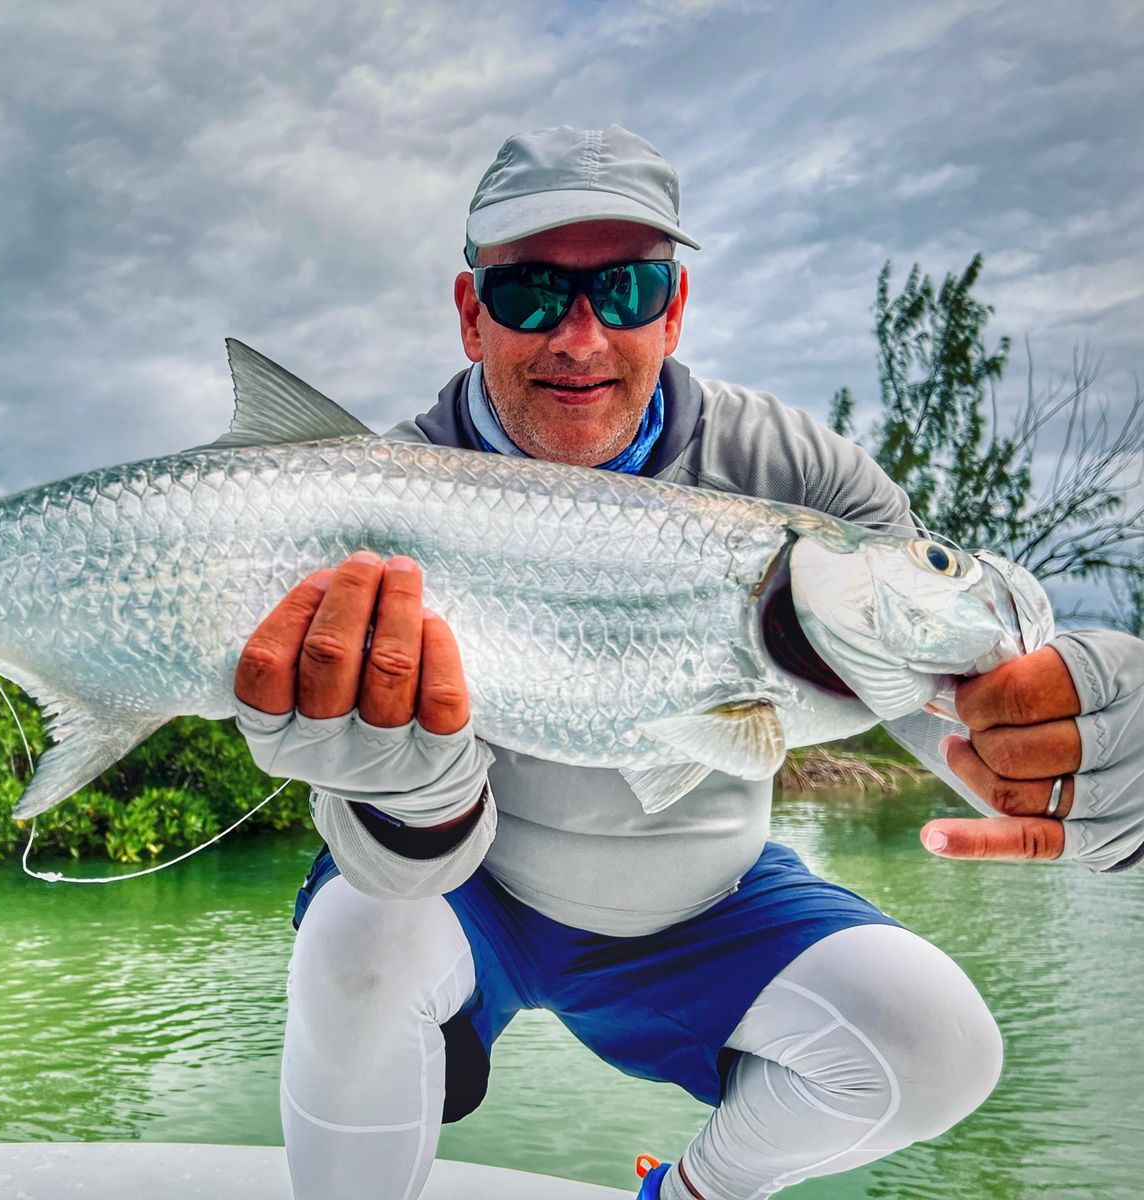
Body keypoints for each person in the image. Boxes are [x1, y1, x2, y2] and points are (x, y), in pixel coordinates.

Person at [232, 126, 1144, 1200]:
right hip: (464, 891)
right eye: (529, 293)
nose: (579, 337)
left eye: (624, 290)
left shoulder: (801, 479)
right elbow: (392, 852)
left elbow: (948, 715)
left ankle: (690, 1194)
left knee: (937, 1044)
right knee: (355, 945)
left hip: (701, 906)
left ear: (674, 309)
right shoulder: (365, 495)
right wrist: (397, 792)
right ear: (470, 314)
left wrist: (1090, 759)